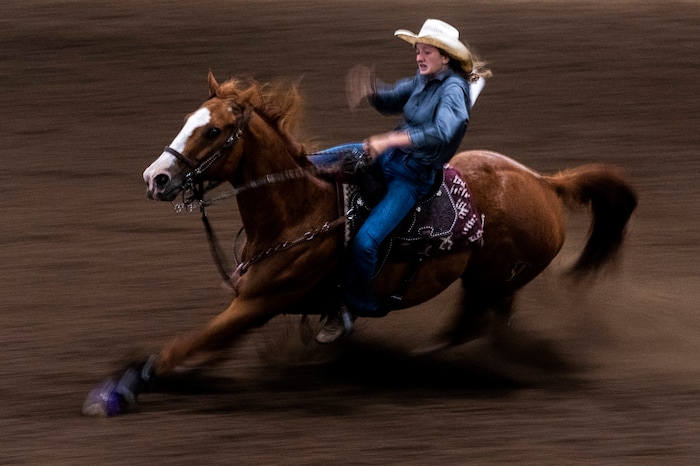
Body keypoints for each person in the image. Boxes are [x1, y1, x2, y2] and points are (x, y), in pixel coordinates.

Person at [312, 19, 491, 344]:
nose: (419, 57)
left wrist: (389, 141)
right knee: (310, 164)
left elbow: (442, 131)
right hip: (387, 156)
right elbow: (394, 98)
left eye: (427, 51)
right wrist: (372, 91)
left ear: (446, 56)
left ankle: (355, 307)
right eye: (418, 51)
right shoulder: (424, 79)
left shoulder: (453, 90)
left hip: (413, 177)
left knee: (367, 242)